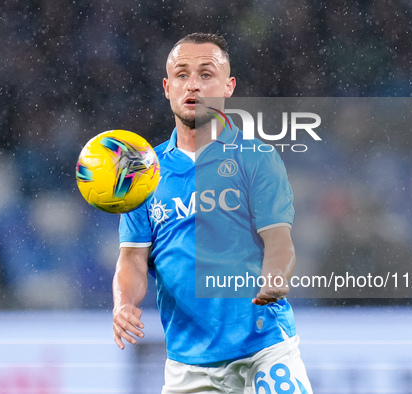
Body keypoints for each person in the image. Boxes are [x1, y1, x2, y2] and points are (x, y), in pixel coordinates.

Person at [113, 33, 313, 394]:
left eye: (206, 74)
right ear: (167, 87)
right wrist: (124, 303)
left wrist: (277, 275)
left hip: (265, 351)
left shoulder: (256, 160)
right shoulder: (143, 175)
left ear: (228, 86)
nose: (193, 84)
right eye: (182, 74)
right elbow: (132, 259)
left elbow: (279, 240)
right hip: (190, 366)